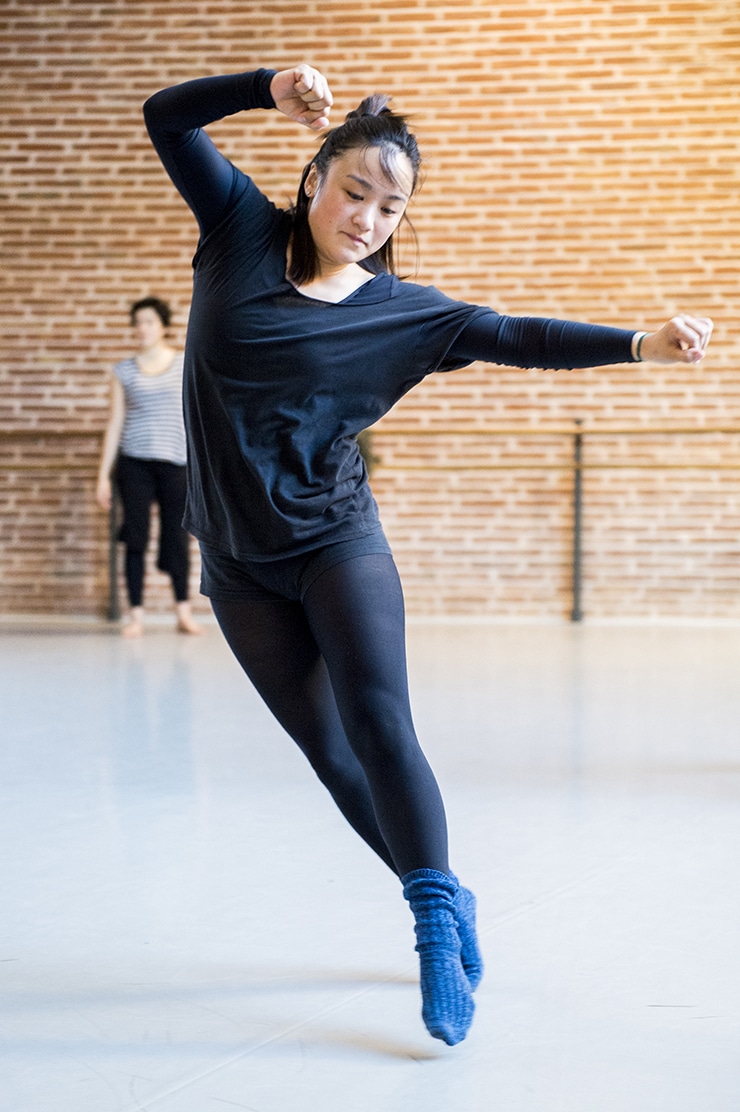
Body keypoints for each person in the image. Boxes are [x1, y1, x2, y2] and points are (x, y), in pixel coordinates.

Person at [142, 63, 712, 1045]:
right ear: (314, 176)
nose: (365, 215)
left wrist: (636, 343)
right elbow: (164, 116)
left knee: (375, 719)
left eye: (388, 204)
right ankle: (439, 880)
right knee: (327, 756)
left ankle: (433, 920)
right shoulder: (236, 231)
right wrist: (264, 86)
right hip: (236, 560)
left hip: (334, 540)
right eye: (353, 189)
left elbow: (514, 333)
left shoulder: (402, 311)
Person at [96, 297, 202, 638]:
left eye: (149, 322)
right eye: (137, 322)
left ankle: (183, 613)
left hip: (176, 464)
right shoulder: (123, 370)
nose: (141, 328)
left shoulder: (184, 363)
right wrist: (102, 475)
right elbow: (115, 423)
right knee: (135, 538)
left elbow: (195, 417)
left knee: (177, 538)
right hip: (134, 463)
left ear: (164, 327)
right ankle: (136, 615)